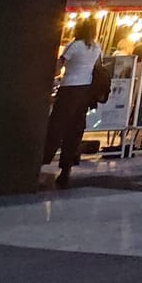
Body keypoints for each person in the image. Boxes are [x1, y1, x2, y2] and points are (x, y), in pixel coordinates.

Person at [43, 17, 103, 188]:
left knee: (56, 126)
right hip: (85, 91)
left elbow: (58, 67)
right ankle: (66, 168)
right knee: (74, 130)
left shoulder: (74, 45)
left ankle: (43, 159)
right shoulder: (96, 47)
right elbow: (97, 67)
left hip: (69, 88)